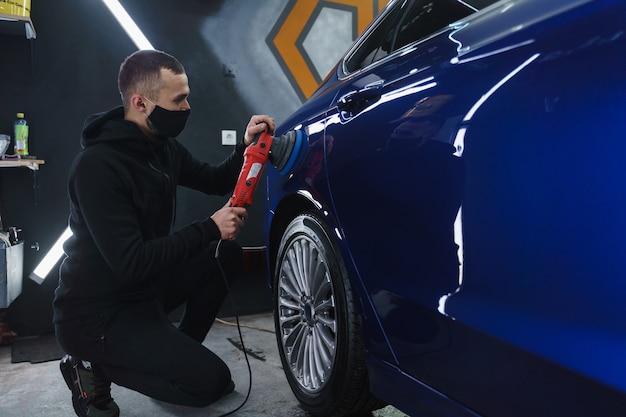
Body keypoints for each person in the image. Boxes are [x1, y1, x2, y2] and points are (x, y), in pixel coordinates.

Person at [52, 49, 275, 417]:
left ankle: (171, 354)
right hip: (97, 315)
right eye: (179, 99)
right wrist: (208, 227)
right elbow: (131, 262)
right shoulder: (97, 167)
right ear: (141, 102)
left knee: (224, 254)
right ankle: (89, 364)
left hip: (143, 294)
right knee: (211, 384)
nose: (187, 107)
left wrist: (246, 147)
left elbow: (216, 179)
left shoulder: (163, 149)